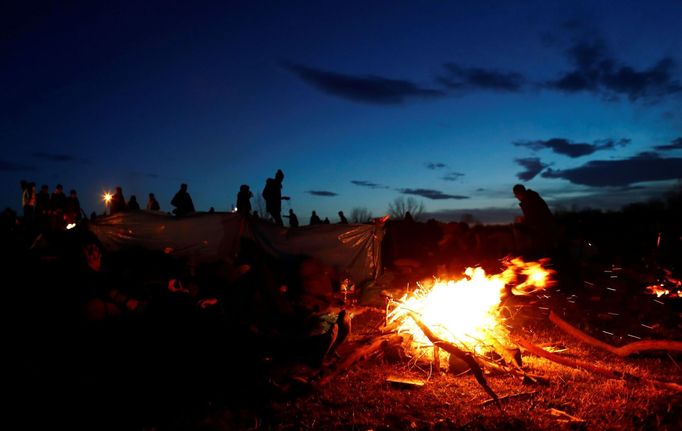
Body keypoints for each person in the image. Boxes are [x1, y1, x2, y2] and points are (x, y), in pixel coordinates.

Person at [512, 184, 555, 255]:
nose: (516, 197)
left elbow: (535, 218)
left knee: (517, 228)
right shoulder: (531, 198)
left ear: (519, 193)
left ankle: (526, 253)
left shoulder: (529, 200)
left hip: (543, 227)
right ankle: (527, 253)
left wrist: (523, 221)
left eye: (516, 195)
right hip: (541, 225)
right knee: (518, 226)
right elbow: (532, 216)